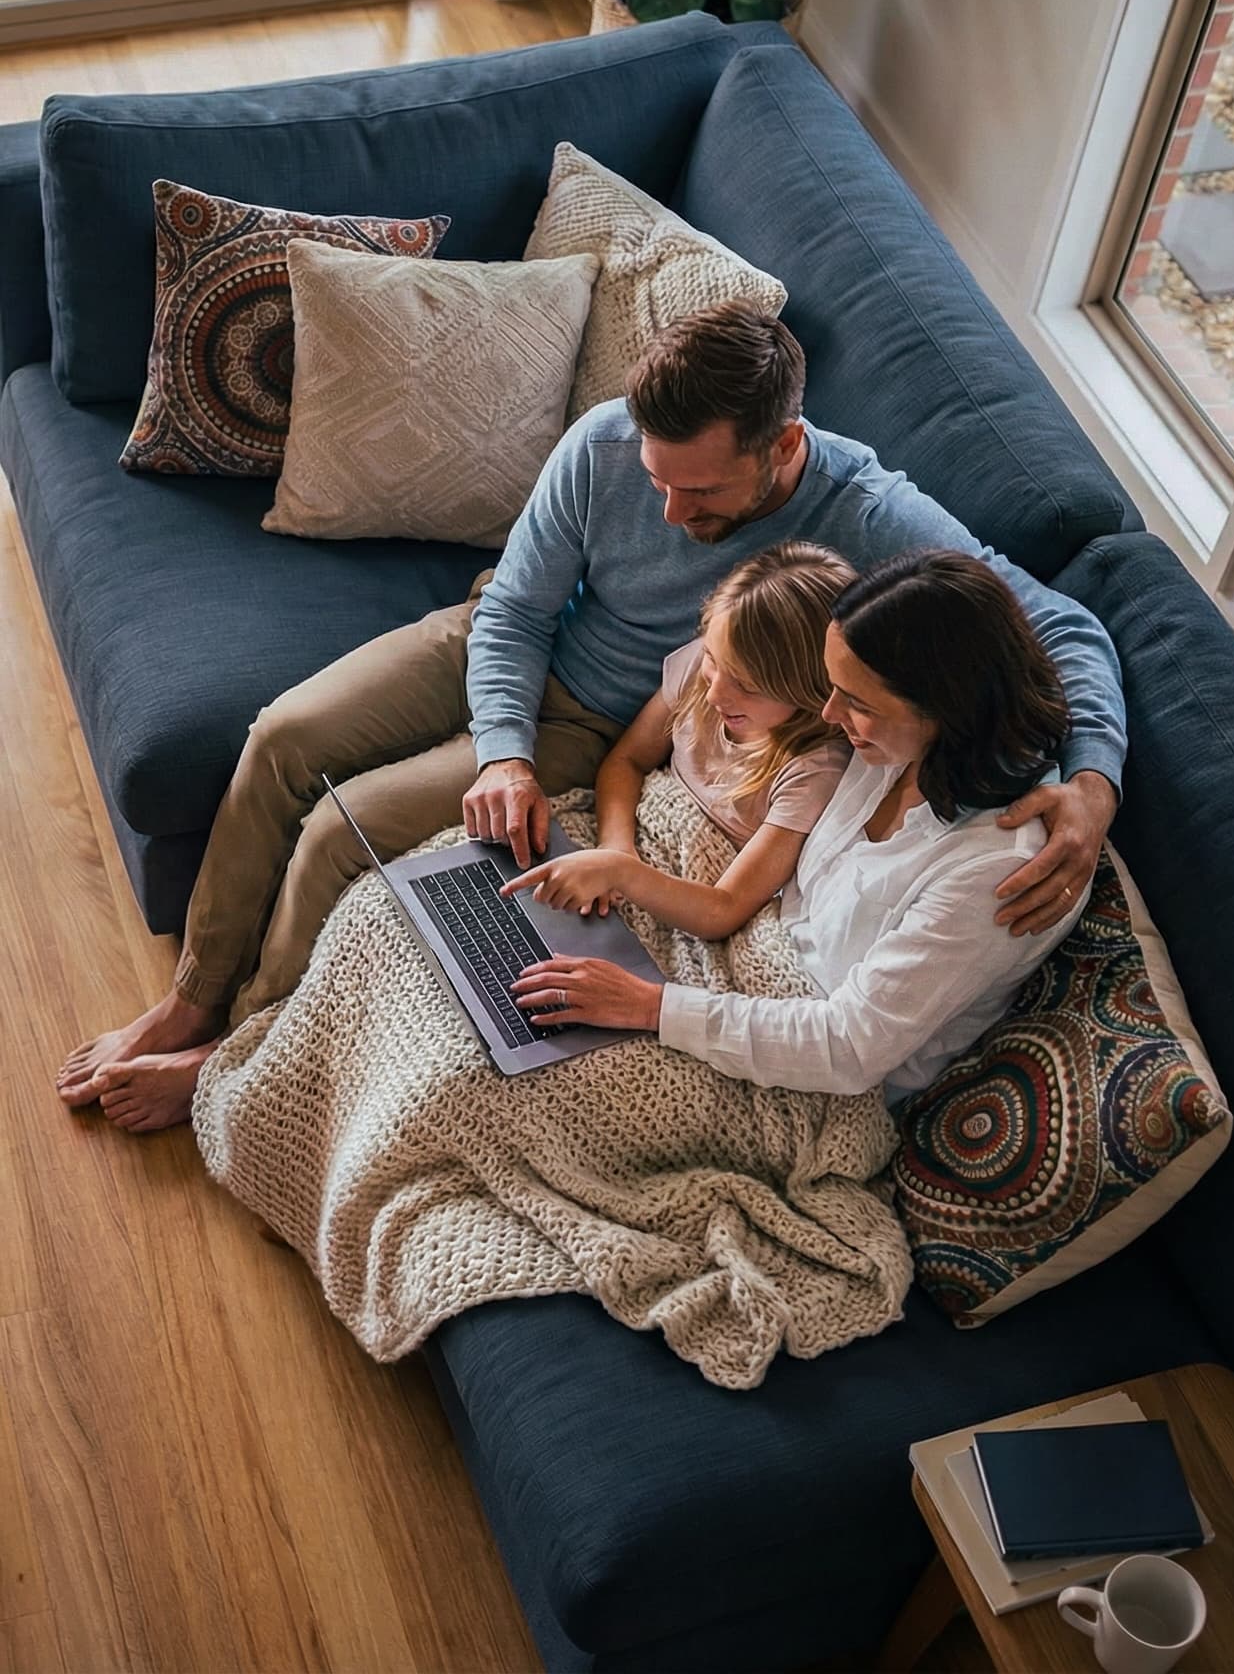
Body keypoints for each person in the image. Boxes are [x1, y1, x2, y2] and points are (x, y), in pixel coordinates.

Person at [57, 303, 1124, 1133]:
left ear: (783, 445)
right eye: (658, 480)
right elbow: (517, 611)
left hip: (606, 719)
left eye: (701, 494)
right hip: (496, 644)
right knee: (282, 736)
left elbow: (1061, 628)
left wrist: (1090, 785)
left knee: (346, 827)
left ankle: (234, 1055)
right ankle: (192, 999)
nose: (670, 512)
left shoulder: (872, 513)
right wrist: (503, 755)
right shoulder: (608, 443)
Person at [512, 550, 1092, 1103]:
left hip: (805, 1076)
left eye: (857, 702)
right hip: (734, 969)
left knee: (507, 1083)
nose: (829, 715)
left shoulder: (997, 872)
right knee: (504, 969)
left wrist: (647, 1006)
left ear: (947, 708)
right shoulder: (891, 748)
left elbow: (848, 1048)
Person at [503, 541, 854, 939]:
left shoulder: (813, 771)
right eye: (713, 661)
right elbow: (628, 761)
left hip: (690, 896)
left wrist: (621, 872)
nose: (715, 694)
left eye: (747, 685)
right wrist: (615, 848)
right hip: (628, 837)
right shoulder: (702, 665)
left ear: (810, 690)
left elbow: (722, 910)